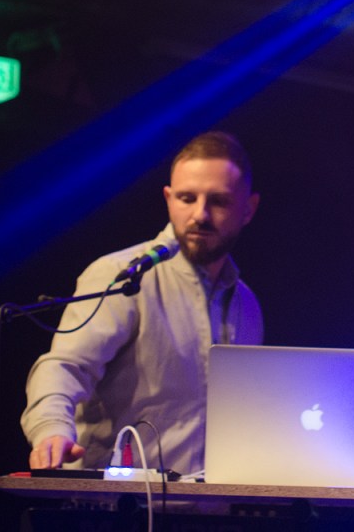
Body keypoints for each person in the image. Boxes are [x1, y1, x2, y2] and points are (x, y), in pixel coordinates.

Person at [22, 130, 264, 477]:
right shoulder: (122, 275)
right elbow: (65, 366)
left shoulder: (247, 304)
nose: (200, 214)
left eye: (219, 201)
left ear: (248, 209)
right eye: (186, 198)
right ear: (168, 199)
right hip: (116, 501)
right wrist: (51, 429)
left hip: (206, 502)